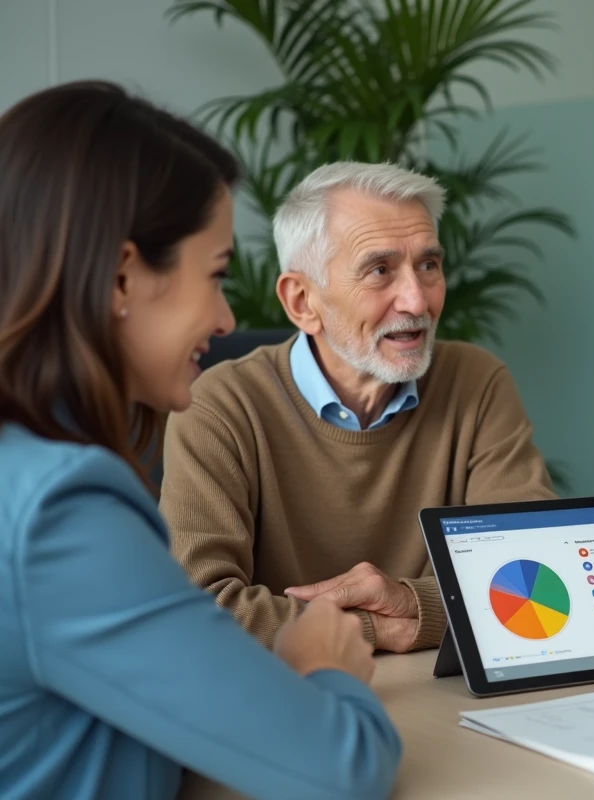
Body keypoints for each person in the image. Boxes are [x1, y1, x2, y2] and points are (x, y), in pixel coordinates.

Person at [0, 82, 400, 799]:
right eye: (214, 275)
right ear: (123, 275)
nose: (224, 319)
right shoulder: (57, 511)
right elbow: (340, 769)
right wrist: (323, 665)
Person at [160, 161, 555, 653]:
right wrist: (384, 626)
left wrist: (412, 604)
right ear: (302, 301)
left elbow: (535, 584)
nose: (416, 299)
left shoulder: (476, 382)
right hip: (288, 698)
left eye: (428, 265)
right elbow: (197, 612)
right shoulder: (218, 407)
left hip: (444, 693)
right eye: (379, 270)